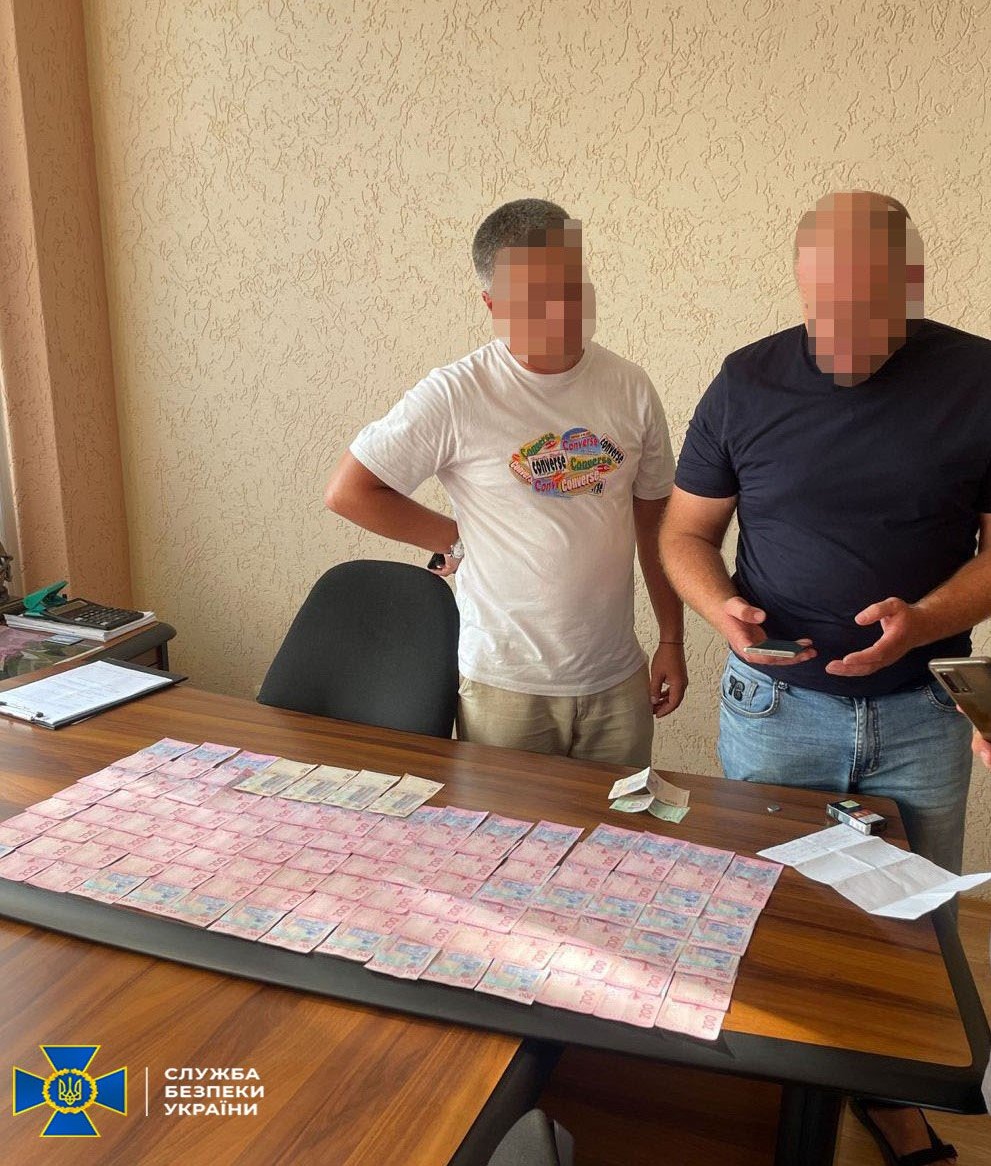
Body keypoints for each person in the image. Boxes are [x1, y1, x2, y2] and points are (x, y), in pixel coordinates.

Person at [661, 190, 991, 1166]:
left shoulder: (978, 379)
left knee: (911, 923)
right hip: (773, 710)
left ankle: (890, 1098)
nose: (839, 340)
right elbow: (684, 533)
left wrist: (924, 620)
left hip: (921, 711)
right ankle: (776, 1093)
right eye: (822, 313)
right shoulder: (745, 381)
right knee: (769, 911)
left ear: (911, 286)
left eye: (864, 314)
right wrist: (718, 606)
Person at [325, 198, 685, 764]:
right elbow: (350, 491)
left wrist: (671, 637)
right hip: (505, 686)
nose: (560, 310)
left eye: (569, 286)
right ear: (493, 304)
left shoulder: (630, 387)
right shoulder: (457, 393)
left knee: (620, 821)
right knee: (503, 824)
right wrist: (455, 538)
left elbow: (656, 523)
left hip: (616, 680)